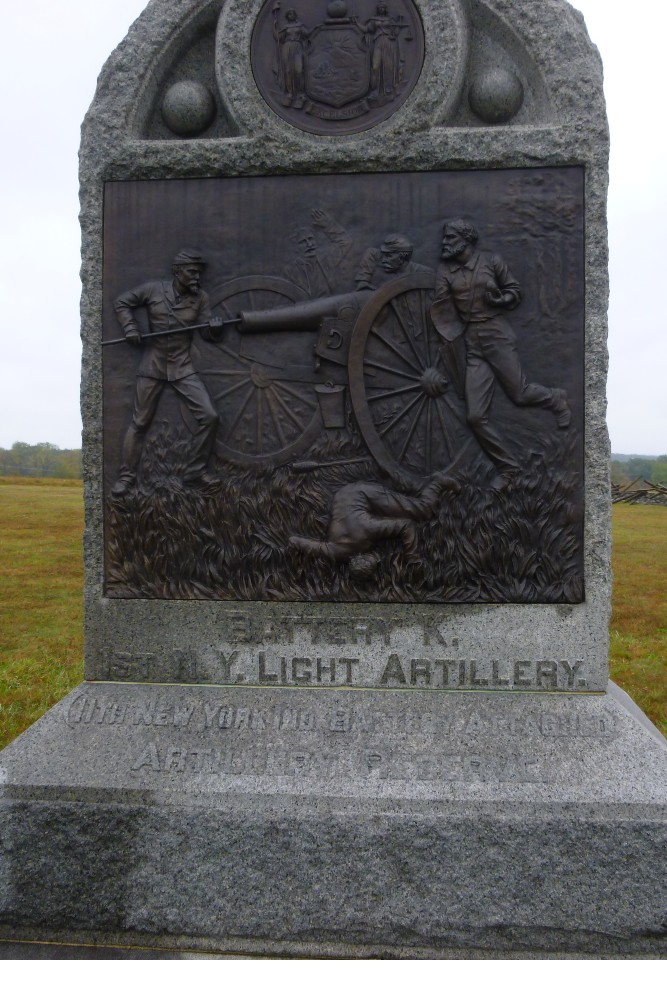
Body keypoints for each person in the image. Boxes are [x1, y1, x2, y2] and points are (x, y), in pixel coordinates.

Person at [430, 219, 571, 490]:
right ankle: (508, 468)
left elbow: (514, 291)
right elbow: (441, 307)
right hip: (472, 341)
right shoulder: (446, 271)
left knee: (519, 393)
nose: (444, 243)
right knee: (475, 416)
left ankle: (555, 399)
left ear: (465, 240)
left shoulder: (492, 261)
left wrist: (502, 300)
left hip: (496, 333)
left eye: (449, 238)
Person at [111, 249, 222, 495]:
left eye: (199, 273)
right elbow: (121, 302)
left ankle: (194, 472)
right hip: (153, 365)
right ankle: (127, 477)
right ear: (177, 271)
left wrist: (214, 328)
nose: (196, 277)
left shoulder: (200, 298)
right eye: (192, 272)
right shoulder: (152, 290)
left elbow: (206, 333)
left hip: (183, 366)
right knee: (139, 422)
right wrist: (130, 328)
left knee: (210, 416)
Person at [289, 471, 458, 576]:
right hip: (342, 497)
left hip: (362, 494)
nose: (376, 556)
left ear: (362, 556)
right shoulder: (334, 550)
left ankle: (438, 482)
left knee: (423, 511)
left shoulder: (369, 531)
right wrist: (294, 544)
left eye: (373, 559)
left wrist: (413, 558)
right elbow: (296, 542)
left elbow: (407, 525)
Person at [284, 208, 352, 297]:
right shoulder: (290, 270)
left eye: (311, 239)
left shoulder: (326, 260)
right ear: (295, 248)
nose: (309, 244)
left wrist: (329, 226)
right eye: (303, 242)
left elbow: (345, 242)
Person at [355, 233, 431, 290]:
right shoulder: (383, 256)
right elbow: (371, 252)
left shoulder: (423, 272)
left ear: (401, 258)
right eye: (383, 255)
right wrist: (363, 281)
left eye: (388, 256)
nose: (383, 260)